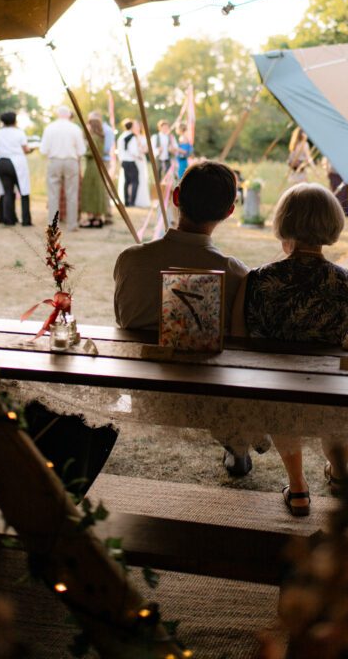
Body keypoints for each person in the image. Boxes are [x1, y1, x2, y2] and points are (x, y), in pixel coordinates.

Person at [231, 182, 348, 516]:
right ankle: (339, 471)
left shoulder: (255, 281)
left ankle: (298, 488)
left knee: (285, 401)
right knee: (333, 405)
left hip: (278, 396)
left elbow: (238, 344)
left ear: (284, 222)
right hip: (336, 398)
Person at [114, 160, 259, 476]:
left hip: (143, 390)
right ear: (230, 211)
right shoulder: (235, 273)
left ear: (176, 197)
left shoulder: (130, 260)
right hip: (207, 394)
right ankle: (236, 445)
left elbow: (123, 321)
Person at [39, 106, 86, 231]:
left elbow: (43, 150)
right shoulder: (75, 128)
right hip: (71, 161)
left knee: (53, 194)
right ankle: (72, 224)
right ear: (69, 115)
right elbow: (82, 150)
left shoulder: (50, 128)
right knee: (72, 193)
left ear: (57, 114)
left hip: (54, 161)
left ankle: (53, 224)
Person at [0, 111, 33, 226]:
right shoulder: (19, 133)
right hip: (17, 163)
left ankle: (8, 219)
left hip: (2, 162)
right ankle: (26, 220)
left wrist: (3, 153)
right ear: (15, 121)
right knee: (24, 190)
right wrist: (31, 150)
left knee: (7, 192)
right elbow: (25, 149)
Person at [80, 114, 107, 228]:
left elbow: (92, 152)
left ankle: (93, 218)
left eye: (89, 124)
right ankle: (97, 217)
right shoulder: (100, 137)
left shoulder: (93, 138)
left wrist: (81, 154)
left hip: (92, 166)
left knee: (91, 190)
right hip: (98, 166)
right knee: (97, 191)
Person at [117, 118, 142, 207]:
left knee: (127, 181)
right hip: (130, 161)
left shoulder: (121, 136)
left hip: (123, 161)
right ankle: (132, 202)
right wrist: (138, 156)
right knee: (135, 181)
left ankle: (126, 201)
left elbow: (119, 150)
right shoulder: (132, 137)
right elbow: (133, 150)